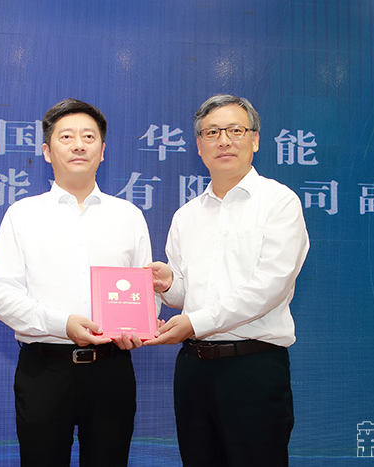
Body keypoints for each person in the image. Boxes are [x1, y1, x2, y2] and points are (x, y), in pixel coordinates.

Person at [0, 98, 153, 467]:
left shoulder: (128, 216)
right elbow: (0, 295)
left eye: (88, 137)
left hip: (111, 369)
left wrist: (136, 328)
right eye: (66, 137)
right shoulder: (22, 215)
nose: (78, 145)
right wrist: (63, 324)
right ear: (47, 151)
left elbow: (146, 295)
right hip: (44, 370)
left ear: (102, 151)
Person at [144, 94, 310, 467]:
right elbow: (187, 295)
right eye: (212, 132)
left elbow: (270, 287)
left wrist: (193, 322)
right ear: (199, 145)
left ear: (255, 140)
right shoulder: (186, 215)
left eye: (236, 130)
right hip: (194, 370)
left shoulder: (279, 203)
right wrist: (169, 283)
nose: (224, 141)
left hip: (252, 368)